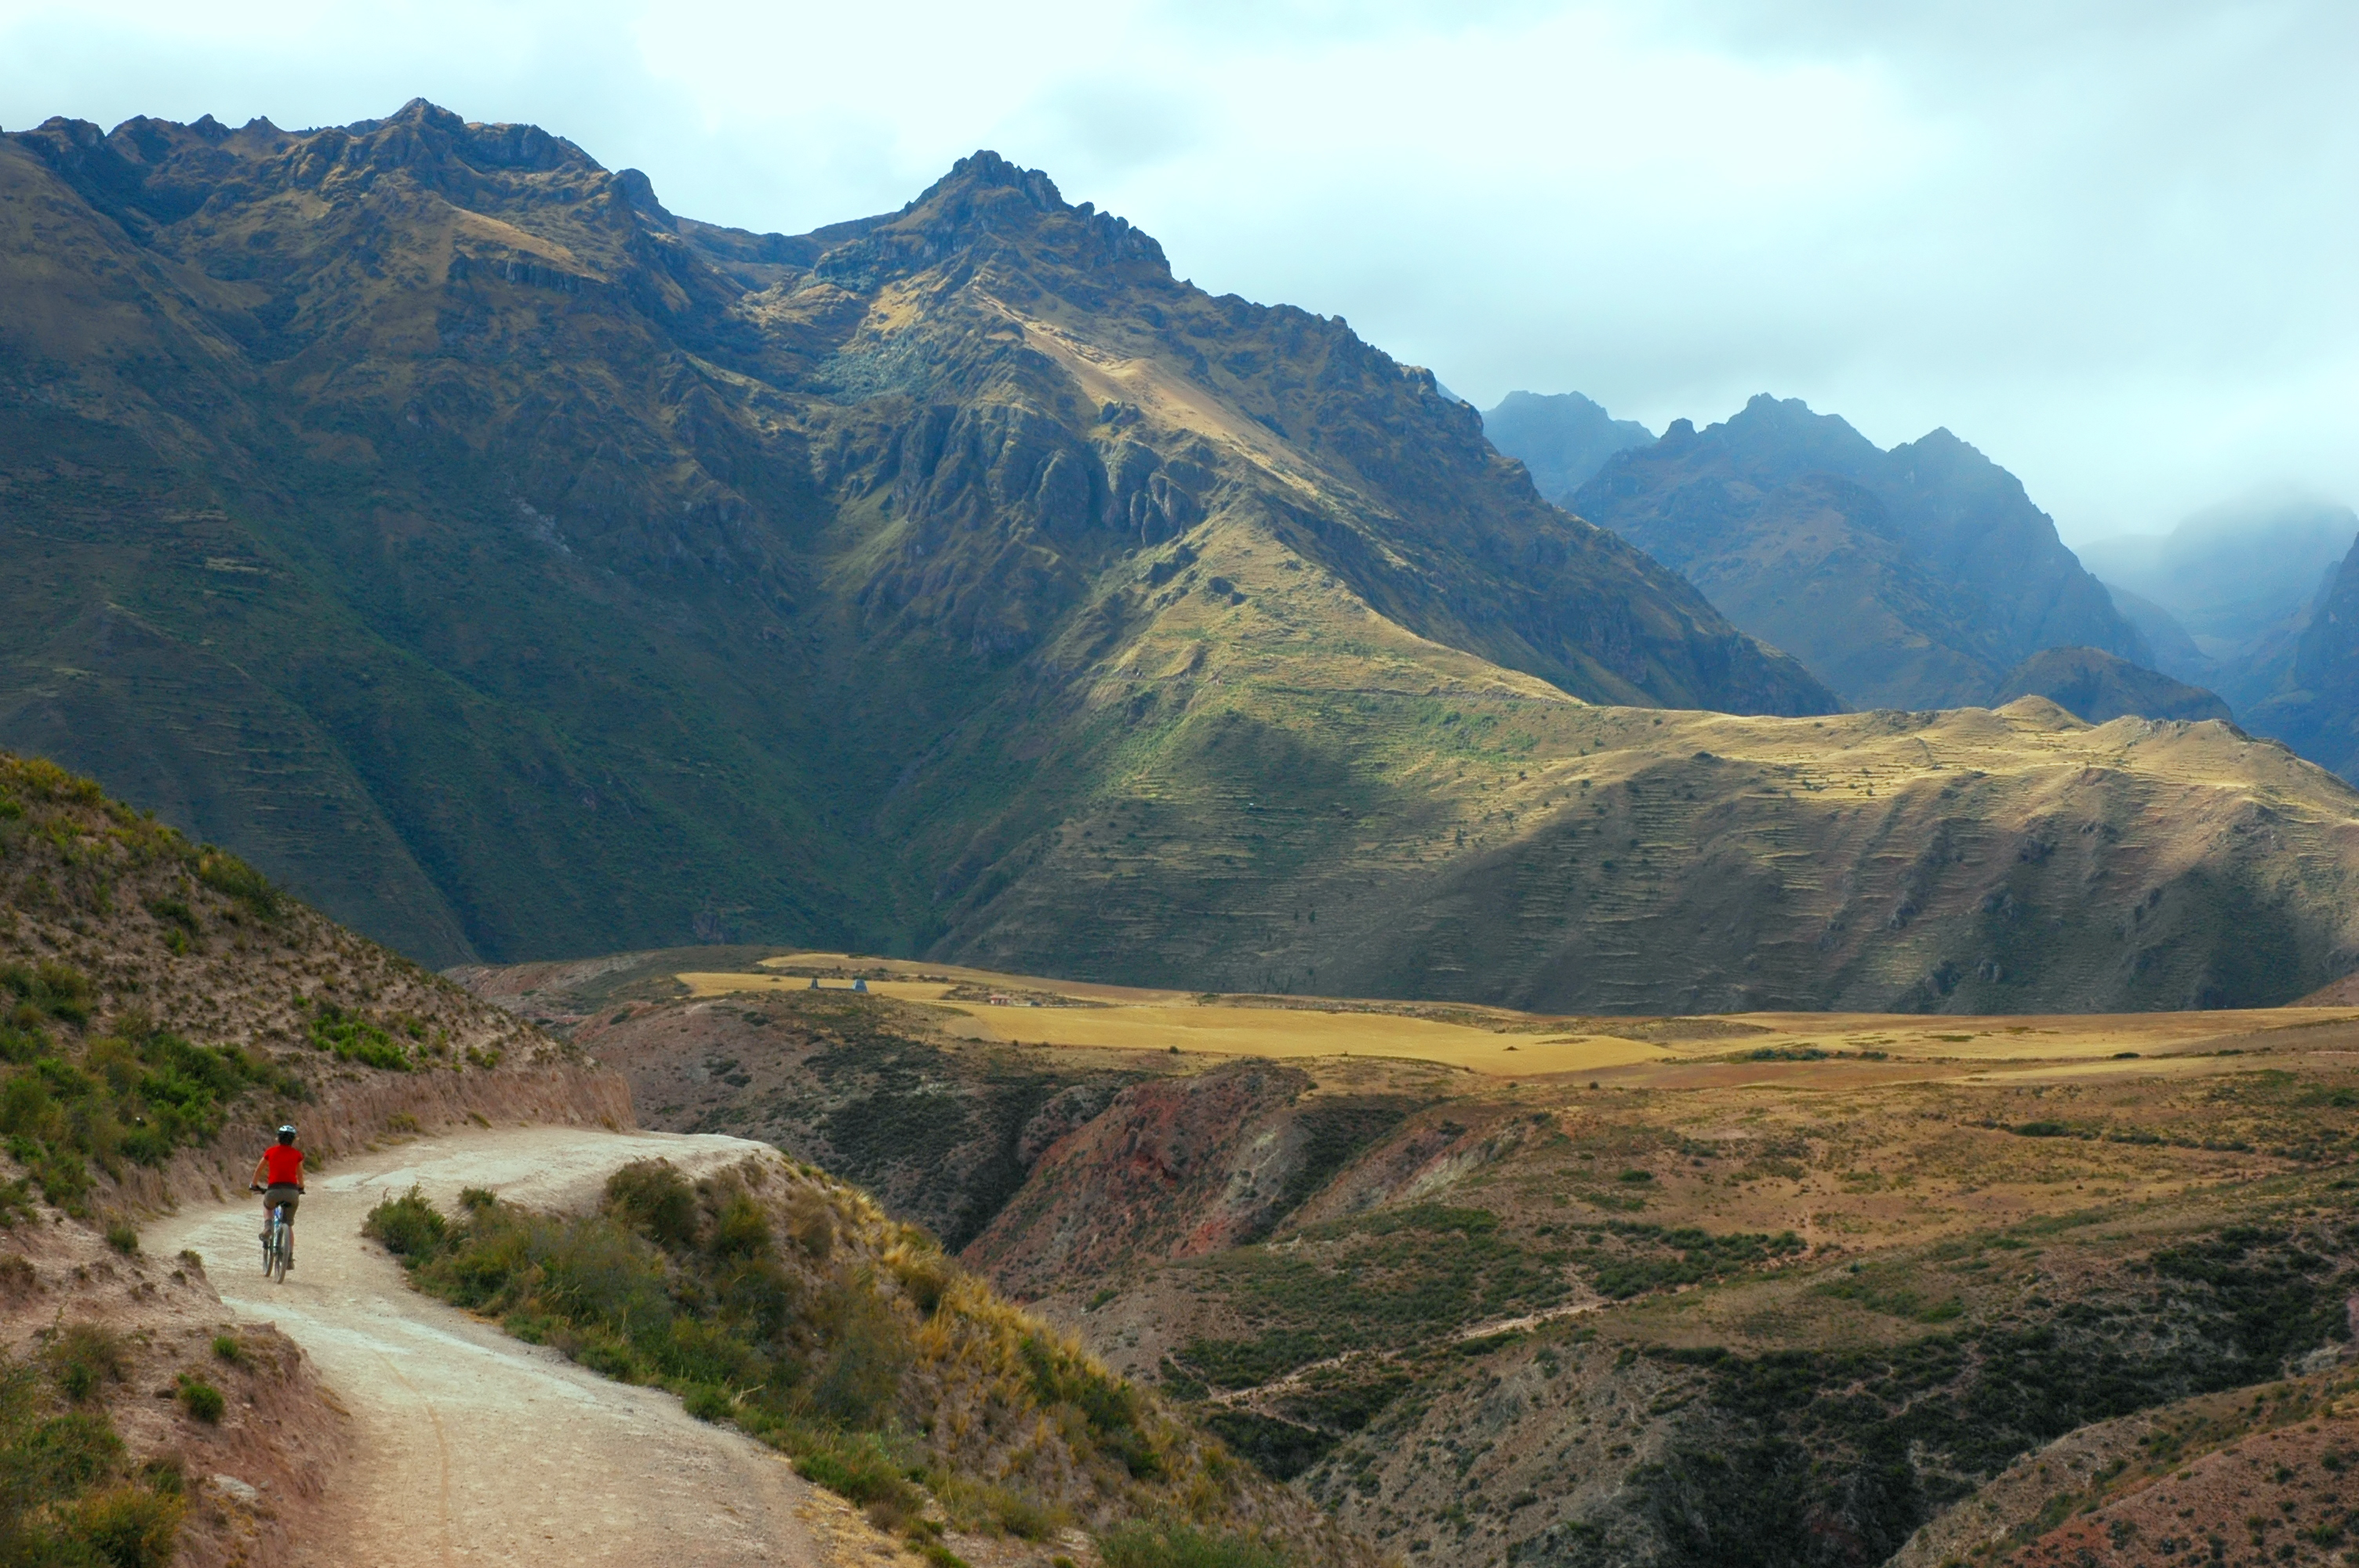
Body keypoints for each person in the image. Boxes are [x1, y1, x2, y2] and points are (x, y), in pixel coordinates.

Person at [249, 1124, 304, 1266]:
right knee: (288, 1224)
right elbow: (300, 1175)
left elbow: (258, 1170)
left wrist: (254, 1185)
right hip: (292, 1192)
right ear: (293, 1140)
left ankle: (268, 1227)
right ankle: (289, 1258)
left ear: (278, 1138)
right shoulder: (297, 1155)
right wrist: (301, 1188)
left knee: (268, 1206)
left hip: (274, 1190)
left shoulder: (270, 1152)